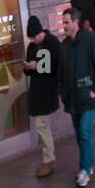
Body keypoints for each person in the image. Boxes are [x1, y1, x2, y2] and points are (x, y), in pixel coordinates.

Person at [60, 7, 95, 188]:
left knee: (85, 133)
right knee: (80, 135)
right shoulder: (64, 46)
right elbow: (61, 73)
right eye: (63, 22)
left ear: (76, 22)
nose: (64, 26)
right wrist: (63, 93)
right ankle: (89, 163)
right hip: (72, 98)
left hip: (87, 96)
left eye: (66, 22)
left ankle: (85, 170)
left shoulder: (90, 40)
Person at [23, 16, 61, 178]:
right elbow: (29, 70)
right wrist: (27, 67)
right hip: (37, 91)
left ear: (40, 31)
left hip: (48, 90)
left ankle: (49, 159)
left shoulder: (52, 43)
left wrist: (36, 66)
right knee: (42, 125)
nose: (33, 40)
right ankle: (49, 158)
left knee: (41, 125)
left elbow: (57, 66)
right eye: (31, 37)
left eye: (34, 36)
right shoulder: (32, 46)